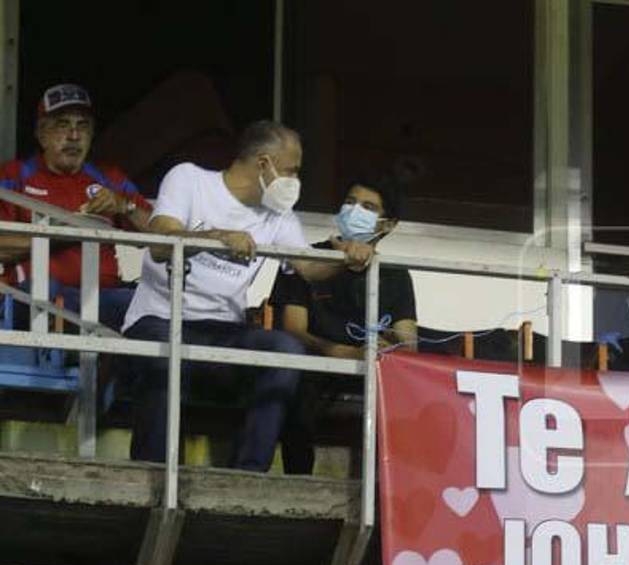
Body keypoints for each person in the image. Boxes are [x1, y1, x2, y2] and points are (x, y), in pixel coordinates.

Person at [122, 120, 374, 472]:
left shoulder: (278, 216)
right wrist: (217, 237)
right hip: (158, 320)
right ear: (263, 163)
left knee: (285, 351)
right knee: (164, 358)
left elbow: (309, 268)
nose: (295, 181)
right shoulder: (189, 179)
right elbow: (161, 244)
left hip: (224, 332)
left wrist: (347, 257)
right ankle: (152, 475)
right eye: (291, 170)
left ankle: (248, 473)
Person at [272, 180, 417, 475]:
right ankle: (299, 482)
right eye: (350, 202)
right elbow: (292, 329)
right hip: (315, 365)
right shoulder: (308, 259)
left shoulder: (395, 275)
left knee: (406, 394)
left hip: (370, 370)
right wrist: (341, 352)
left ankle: (384, 489)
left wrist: (390, 344)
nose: (354, 211)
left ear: (388, 225)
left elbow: (409, 343)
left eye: (368, 207)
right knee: (297, 388)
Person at [0, 83, 153, 330]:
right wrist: (61, 232)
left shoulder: (108, 178)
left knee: (150, 305)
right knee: (44, 290)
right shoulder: (13, 176)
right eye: (63, 125)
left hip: (104, 297)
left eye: (82, 126)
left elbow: (160, 232)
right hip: (36, 296)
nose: (74, 136)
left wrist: (125, 206)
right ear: (41, 133)